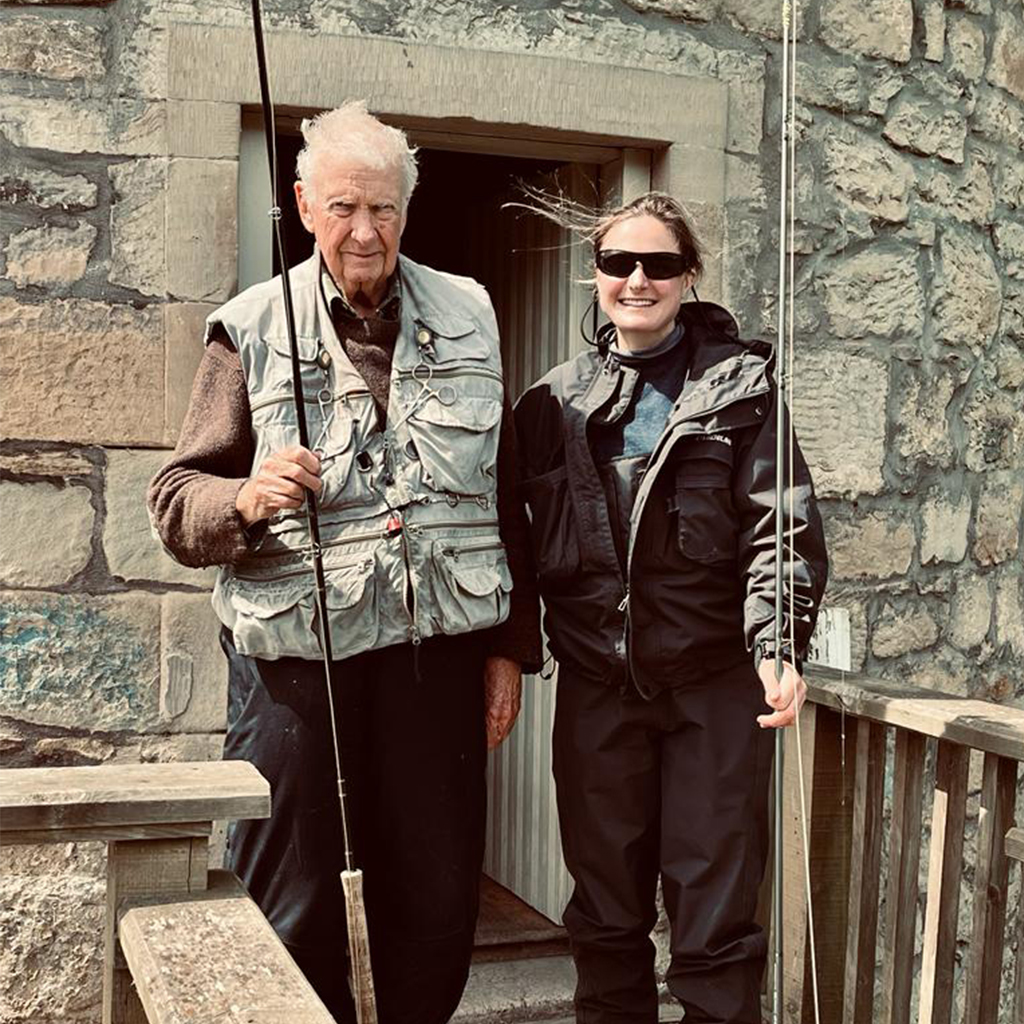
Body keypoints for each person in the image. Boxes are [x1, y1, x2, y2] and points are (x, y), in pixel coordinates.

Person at [149, 101, 541, 1024]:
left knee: (439, 902)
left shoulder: (471, 313)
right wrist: (244, 498)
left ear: (408, 209)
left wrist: (508, 650)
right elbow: (174, 500)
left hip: (435, 665)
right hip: (295, 671)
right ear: (302, 203)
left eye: (385, 209)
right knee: (295, 904)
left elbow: (503, 492)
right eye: (343, 207)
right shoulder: (245, 328)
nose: (366, 230)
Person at [513, 192, 828, 1024]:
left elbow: (780, 528)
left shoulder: (743, 390)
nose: (638, 280)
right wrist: (504, 659)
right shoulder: (551, 404)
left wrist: (778, 644)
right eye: (620, 263)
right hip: (597, 692)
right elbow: (508, 539)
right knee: (606, 916)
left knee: (716, 921)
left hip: (713, 691)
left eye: (658, 264)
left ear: (688, 277)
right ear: (597, 276)